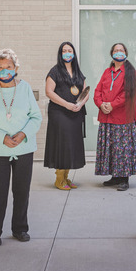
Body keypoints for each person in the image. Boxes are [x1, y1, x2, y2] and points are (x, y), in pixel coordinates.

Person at [0, 48, 42, 246]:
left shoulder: (25, 88)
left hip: (23, 149)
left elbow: (36, 117)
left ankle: (20, 229)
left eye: (8, 67)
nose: (5, 71)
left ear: (16, 68)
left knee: (22, 191)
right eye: (0, 68)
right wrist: (2, 137)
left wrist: (23, 134)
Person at [93, 42, 136, 191]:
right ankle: (115, 177)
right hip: (107, 117)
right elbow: (97, 91)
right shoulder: (107, 72)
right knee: (112, 148)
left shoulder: (130, 72)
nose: (118, 52)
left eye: (121, 50)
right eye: (116, 50)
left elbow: (128, 93)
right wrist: (101, 104)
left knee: (123, 149)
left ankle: (124, 179)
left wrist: (112, 105)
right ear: (111, 54)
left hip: (123, 119)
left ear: (126, 53)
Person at [43, 42, 87, 190]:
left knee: (71, 145)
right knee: (62, 145)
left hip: (76, 113)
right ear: (60, 54)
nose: (67, 53)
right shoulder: (54, 71)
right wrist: (67, 104)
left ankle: (66, 178)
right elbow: (49, 92)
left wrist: (80, 104)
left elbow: (85, 91)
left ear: (74, 53)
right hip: (60, 113)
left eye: (70, 50)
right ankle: (59, 178)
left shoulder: (77, 72)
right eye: (64, 51)